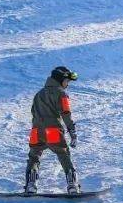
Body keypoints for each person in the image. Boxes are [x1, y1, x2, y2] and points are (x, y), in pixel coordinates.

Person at [25, 66, 81, 195]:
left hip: (36, 131)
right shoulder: (61, 94)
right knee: (63, 154)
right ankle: (72, 185)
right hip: (52, 131)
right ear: (61, 80)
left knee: (34, 156)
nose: (67, 85)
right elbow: (66, 113)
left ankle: (30, 185)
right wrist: (72, 132)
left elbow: (33, 112)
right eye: (67, 81)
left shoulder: (39, 94)